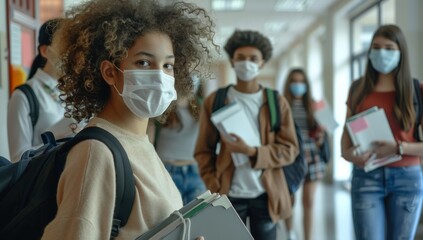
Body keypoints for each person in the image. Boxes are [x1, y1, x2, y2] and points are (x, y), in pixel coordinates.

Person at [40, 0, 217, 239]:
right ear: (110, 72)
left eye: (168, 65)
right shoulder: (96, 153)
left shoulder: (138, 141)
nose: (159, 75)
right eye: (143, 62)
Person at [194, 29, 299, 240]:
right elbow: (203, 150)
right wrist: (213, 183)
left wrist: (252, 151)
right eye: (241, 58)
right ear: (232, 61)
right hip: (229, 194)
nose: (246, 63)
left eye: (253, 58)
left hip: (266, 195)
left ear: (262, 63)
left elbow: (290, 149)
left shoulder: (276, 102)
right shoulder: (216, 100)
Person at [341, 24, 423, 240]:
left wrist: (398, 147)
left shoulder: (417, 90)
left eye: (389, 47)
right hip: (367, 177)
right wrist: (350, 155)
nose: (381, 53)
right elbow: (346, 140)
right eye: (376, 47)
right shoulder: (358, 89)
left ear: (401, 52)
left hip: (408, 179)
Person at [7, 18, 78, 163]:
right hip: (43, 183)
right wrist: (56, 133)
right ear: (45, 51)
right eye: (65, 46)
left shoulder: (74, 92)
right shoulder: (23, 96)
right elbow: (18, 159)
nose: (71, 54)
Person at [282, 68, 328, 240]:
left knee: (308, 201)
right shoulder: (282, 104)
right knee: (290, 200)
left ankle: (308, 238)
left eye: (301, 81)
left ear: (306, 85)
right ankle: (290, 234)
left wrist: (321, 137)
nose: (297, 85)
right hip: (290, 155)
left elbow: (325, 132)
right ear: (289, 83)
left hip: (312, 155)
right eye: (294, 81)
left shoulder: (315, 105)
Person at [150, 74, 207, 205]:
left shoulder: (202, 107)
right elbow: (149, 144)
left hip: (195, 172)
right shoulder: (161, 108)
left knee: (199, 219)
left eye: (194, 72)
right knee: (171, 220)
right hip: (167, 172)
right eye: (186, 72)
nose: (191, 76)